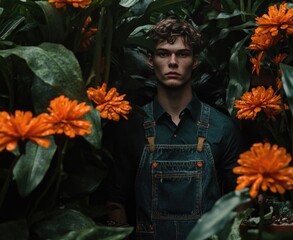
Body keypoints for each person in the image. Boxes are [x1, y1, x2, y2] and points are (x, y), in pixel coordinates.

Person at [99, 16, 245, 240]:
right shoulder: (132, 127)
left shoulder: (222, 128)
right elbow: (113, 201)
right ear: (150, 59)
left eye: (183, 54)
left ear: (195, 61)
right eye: (164, 53)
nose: (173, 62)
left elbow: (242, 200)